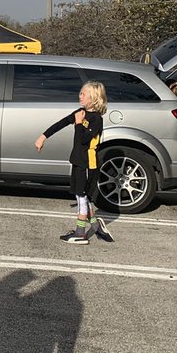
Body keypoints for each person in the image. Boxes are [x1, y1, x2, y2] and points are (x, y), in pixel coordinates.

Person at [35, 80, 113, 244]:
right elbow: (62, 123)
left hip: (88, 164)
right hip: (78, 160)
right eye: (80, 93)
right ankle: (95, 226)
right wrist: (43, 137)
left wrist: (78, 124)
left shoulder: (96, 119)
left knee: (82, 197)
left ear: (94, 98)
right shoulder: (81, 112)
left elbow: (84, 139)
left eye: (84, 94)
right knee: (79, 194)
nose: (80, 96)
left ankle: (80, 233)